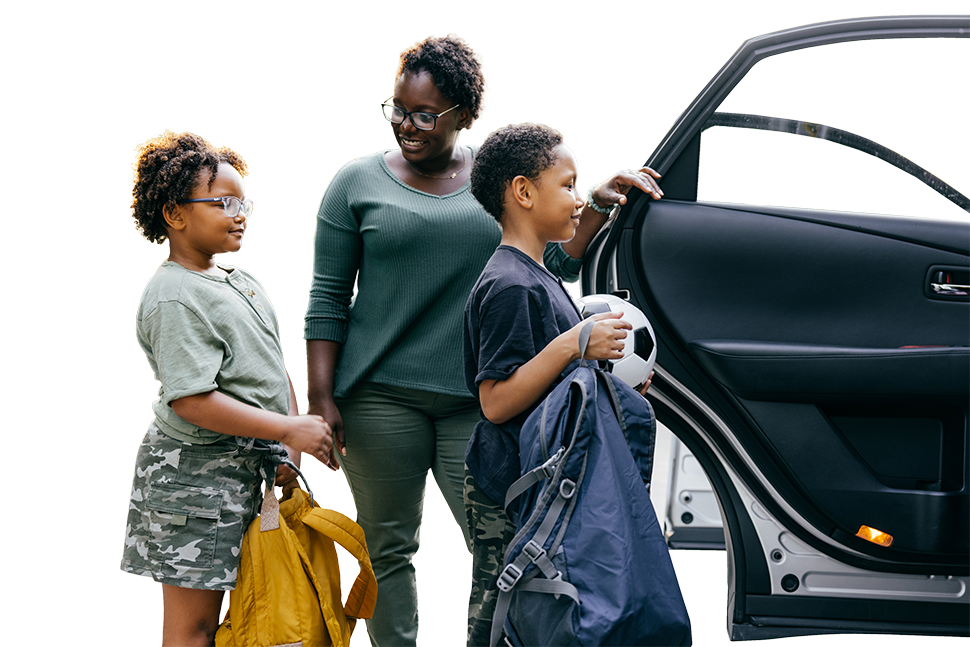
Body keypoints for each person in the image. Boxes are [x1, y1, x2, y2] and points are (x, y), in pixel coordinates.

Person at [305, 34, 660, 647]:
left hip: (479, 399)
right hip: (379, 399)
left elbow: (554, 257)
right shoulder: (353, 184)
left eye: (423, 113)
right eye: (397, 108)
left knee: (504, 541)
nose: (405, 124)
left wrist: (600, 200)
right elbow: (327, 299)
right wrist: (320, 399)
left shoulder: (497, 182)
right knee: (388, 549)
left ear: (464, 116)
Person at [120, 131, 334, 647]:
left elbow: (270, 369)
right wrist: (287, 427)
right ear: (174, 214)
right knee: (195, 629)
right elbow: (193, 400)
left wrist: (281, 447)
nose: (240, 213)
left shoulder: (242, 282)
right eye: (223, 202)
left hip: (246, 473)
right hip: (193, 484)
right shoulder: (172, 295)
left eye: (244, 201)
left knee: (254, 612)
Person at [463, 123, 661, 646]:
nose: (578, 198)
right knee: (500, 616)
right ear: (524, 192)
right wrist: (573, 344)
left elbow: (553, 386)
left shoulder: (535, 273)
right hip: (506, 487)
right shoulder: (508, 285)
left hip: (537, 479)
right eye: (569, 185)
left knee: (540, 607)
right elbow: (496, 401)